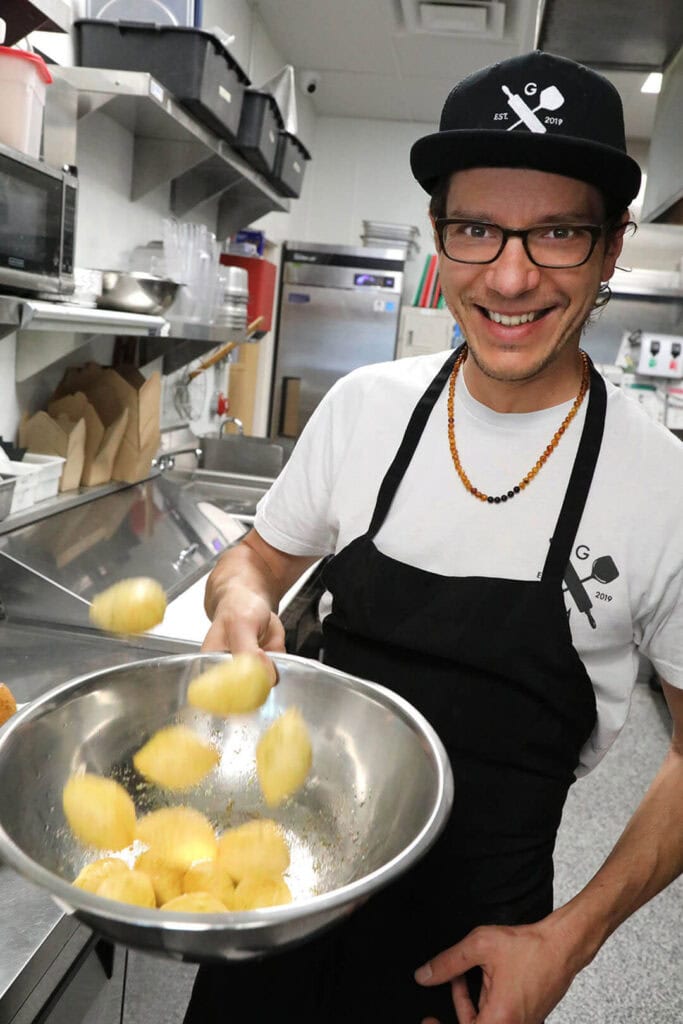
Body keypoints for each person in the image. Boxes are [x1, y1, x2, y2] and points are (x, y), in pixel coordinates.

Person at [184, 50, 683, 1024]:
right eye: (476, 229)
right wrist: (239, 600)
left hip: (470, 970)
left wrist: (566, 941)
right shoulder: (365, 408)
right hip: (268, 902)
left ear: (612, 244)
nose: (508, 274)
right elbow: (255, 559)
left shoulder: (660, 484)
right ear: (436, 234)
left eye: (555, 233)